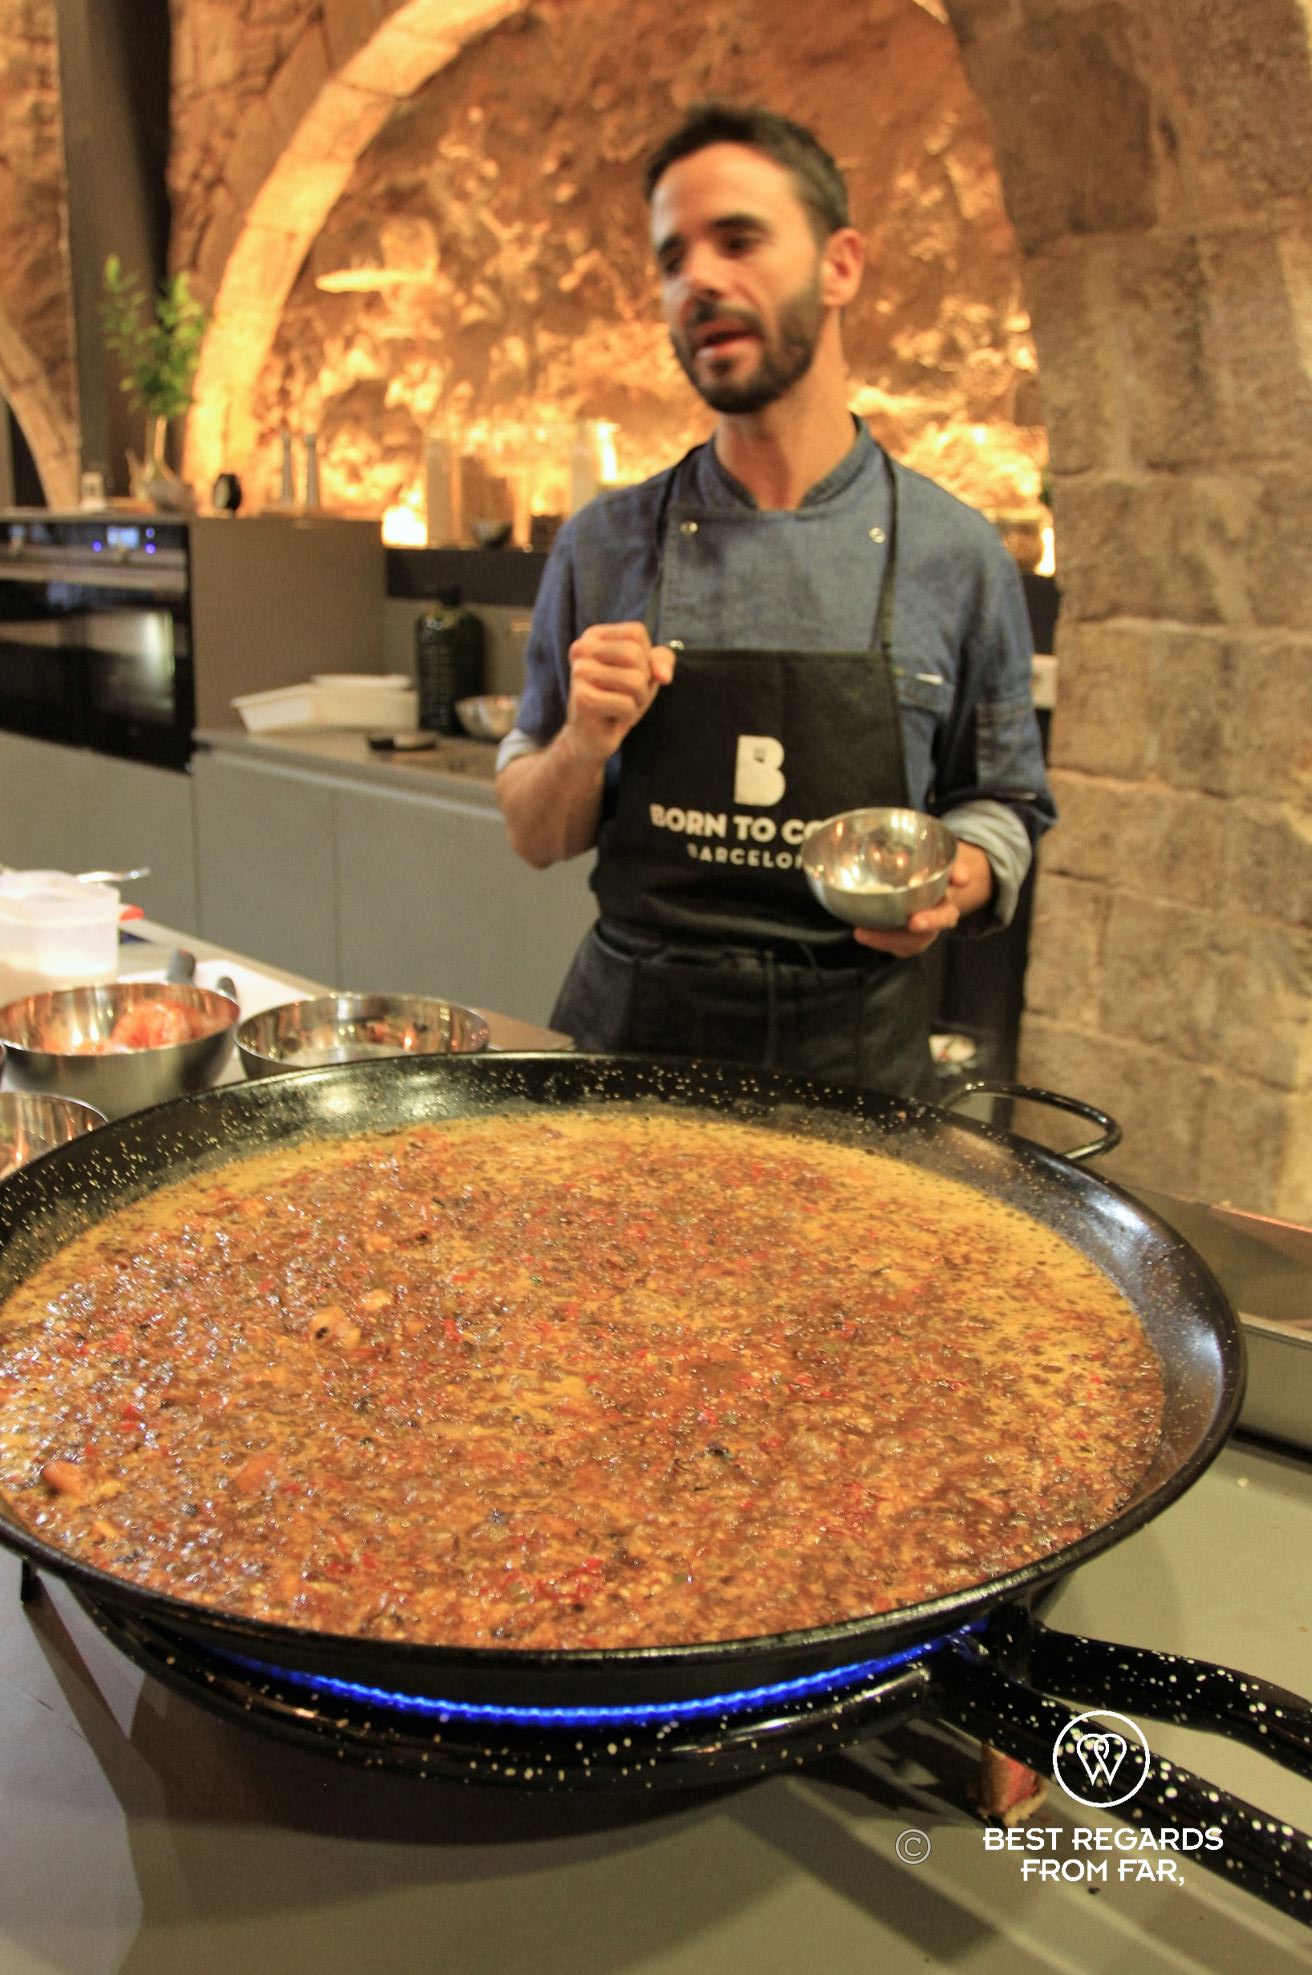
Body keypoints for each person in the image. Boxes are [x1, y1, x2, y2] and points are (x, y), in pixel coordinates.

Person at [496, 102, 1055, 1101]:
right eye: (673, 258)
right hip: (628, 1061)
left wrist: (951, 881)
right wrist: (582, 740)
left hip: (855, 1067)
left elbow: (1002, 804)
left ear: (840, 265)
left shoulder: (957, 556)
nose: (699, 280)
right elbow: (536, 833)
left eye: (739, 240)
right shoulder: (603, 545)